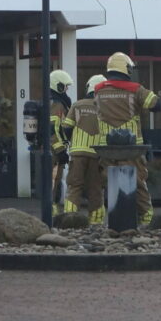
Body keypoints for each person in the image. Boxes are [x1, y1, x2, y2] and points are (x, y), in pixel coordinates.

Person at [93, 52, 161, 226]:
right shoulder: (135, 89)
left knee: (108, 182)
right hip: (132, 148)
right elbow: (156, 105)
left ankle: (112, 221)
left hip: (106, 148)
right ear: (126, 69)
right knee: (138, 183)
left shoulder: (98, 90)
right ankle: (146, 218)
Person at [62, 74, 106, 225]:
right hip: (97, 154)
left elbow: (67, 127)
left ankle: (70, 219)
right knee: (96, 189)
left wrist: (72, 139)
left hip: (78, 153)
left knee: (74, 185)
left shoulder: (77, 105)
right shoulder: (105, 108)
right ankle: (96, 221)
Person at [48, 69, 74, 216]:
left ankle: (54, 210)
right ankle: (51, 212)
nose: (67, 90)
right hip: (54, 151)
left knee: (56, 181)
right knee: (53, 181)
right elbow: (52, 129)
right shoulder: (56, 104)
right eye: (65, 86)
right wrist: (60, 150)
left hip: (58, 150)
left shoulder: (59, 103)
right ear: (58, 86)